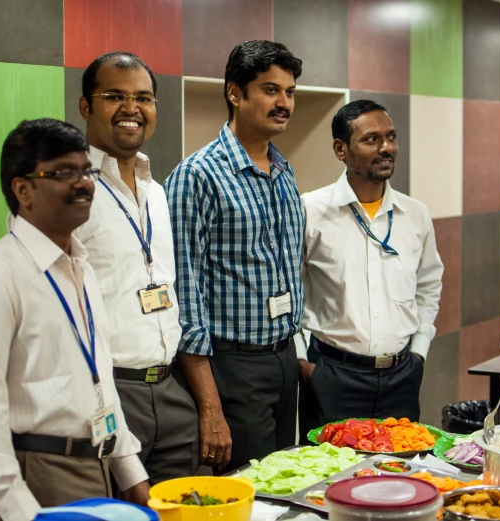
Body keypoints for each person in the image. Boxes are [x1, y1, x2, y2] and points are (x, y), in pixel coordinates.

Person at [0, 118, 149, 521]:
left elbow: (100, 378)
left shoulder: (81, 265)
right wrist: (21, 511)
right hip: (37, 471)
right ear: (22, 189)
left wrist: (128, 469)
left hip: (96, 462)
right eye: (63, 173)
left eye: (86, 171)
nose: (84, 183)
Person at [164, 40, 304, 473]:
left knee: (286, 487)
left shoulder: (283, 170)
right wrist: (210, 408)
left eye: (290, 92)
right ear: (234, 93)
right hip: (231, 366)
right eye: (270, 90)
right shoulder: (197, 176)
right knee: (250, 494)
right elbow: (185, 296)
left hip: (284, 359)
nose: (284, 102)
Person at [73, 51, 199, 484]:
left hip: (170, 388)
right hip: (106, 394)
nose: (131, 109)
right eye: (114, 96)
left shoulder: (157, 193)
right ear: (86, 106)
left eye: (143, 98)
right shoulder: (67, 191)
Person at [297, 100, 444, 442]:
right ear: (340, 149)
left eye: (391, 137)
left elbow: (429, 285)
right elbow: (290, 288)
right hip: (332, 375)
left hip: (402, 376)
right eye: (372, 139)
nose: (387, 148)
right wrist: (302, 358)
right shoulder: (311, 210)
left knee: (397, 481)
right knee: (328, 482)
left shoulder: (415, 214)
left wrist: (420, 350)